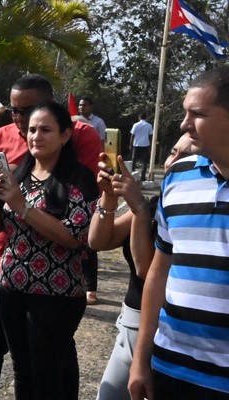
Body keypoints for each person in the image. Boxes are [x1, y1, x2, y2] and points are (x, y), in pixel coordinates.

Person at [0, 73, 101, 400]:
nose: (32, 132)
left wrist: (22, 205)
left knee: (48, 370)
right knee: (17, 366)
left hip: (56, 291)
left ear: (65, 134)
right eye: (28, 127)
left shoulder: (78, 173)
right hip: (10, 282)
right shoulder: (18, 169)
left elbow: (76, 236)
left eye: (43, 128)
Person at [129, 66, 229, 399]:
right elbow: (159, 273)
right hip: (171, 369)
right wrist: (141, 359)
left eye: (197, 114)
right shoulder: (179, 177)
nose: (185, 124)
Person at [89, 134, 193, 400]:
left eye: (186, 156)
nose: (173, 162)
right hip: (129, 324)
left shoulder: (191, 213)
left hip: (163, 331)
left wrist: (138, 208)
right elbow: (99, 240)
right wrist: (108, 197)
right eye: (173, 152)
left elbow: (145, 269)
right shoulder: (158, 203)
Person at [129, 112, 153, 180]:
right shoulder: (149, 125)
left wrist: (130, 145)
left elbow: (132, 136)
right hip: (145, 145)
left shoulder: (135, 125)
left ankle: (132, 175)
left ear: (139, 117)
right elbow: (150, 136)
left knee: (134, 160)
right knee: (144, 162)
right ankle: (143, 176)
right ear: (146, 117)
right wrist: (151, 146)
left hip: (136, 144)